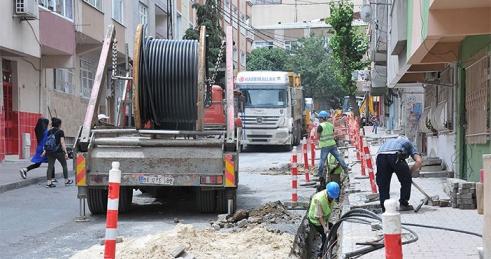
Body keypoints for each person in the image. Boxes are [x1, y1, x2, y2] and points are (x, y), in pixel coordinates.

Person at [376, 135, 423, 212]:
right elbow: (419, 161)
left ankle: (385, 208)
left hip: (380, 156)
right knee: (406, 181)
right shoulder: (409, 144)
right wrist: (409, 173)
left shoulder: (389, 141)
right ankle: (403, 204)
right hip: (396, 155)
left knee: (383, 183)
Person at [316, 110, 349, 186]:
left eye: (319, 118)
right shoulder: (330, 125)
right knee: (338, 157)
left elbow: (317, 137)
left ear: (322, 118)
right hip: (332, 144)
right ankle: (345, 169)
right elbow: (333, 133)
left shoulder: (320, 126)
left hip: (325, 145)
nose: (319, 119)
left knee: (322, 160)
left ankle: (320, 174)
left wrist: (319, 140)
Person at [307, 182, 340, 258]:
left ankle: (329, 248)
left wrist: (327, 223)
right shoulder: (319, 199)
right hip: (316, 221)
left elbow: (327, 211)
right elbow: (319, 216)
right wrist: (325, 228)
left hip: (324, 219)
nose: (332, 199)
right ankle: (322, 253)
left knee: (333, 230)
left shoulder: (331, 196)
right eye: (332, 197)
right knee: (325, 236)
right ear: (328, 192)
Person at [43, 117, 73, 188]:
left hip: (50, 151)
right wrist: (66, 152)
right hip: (59, 152)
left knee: (50, 167)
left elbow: (47, 141)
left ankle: (49, 183)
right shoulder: (60, 132)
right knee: (64, 165)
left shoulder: (49, 131)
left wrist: (45, 150)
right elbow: (62, 142)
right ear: (59, 124)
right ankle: (66, 181)